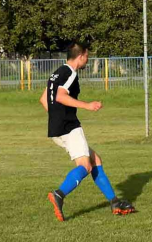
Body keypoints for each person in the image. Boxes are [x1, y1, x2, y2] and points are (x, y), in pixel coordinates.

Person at [39, 42, 135, 221]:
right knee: (85, 166)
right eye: (87, 56)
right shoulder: (70, 73)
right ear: (81, 55)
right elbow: (60, 96)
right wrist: (87, 105)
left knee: (95, 160)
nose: (88, 59)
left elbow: (44, 99)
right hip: (69, 127)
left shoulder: (57, 72)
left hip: (57, 129)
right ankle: (59, 194)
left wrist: (56, 117)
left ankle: (114, 202)